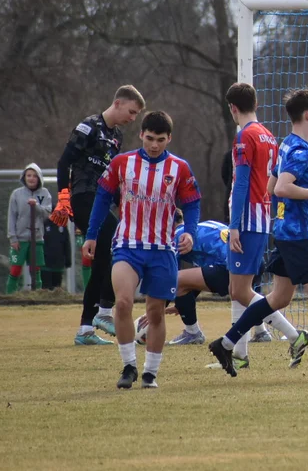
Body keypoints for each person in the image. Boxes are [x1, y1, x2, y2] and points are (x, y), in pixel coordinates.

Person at [208, 89, 308, 382]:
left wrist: (304, 183)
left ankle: (226, 343)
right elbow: (280, 189)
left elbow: (270, 187)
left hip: (284, 234)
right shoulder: (299, 150)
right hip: (297, 236)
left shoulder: (289, 146)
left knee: (279, 298)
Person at [83, 110, 201, 389]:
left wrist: (191, 234)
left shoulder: (179, 168)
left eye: (160, 139)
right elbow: (102, 197)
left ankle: (150, 372)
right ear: (141, 135)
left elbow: (192, 202)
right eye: (149, 138)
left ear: (169, 138)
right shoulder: (122, 163)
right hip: (127, 245)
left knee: (155, 312)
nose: (154, 145)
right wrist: (91, 235)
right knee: (122, 303)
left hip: (162, 249)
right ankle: (128, 367)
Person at [52, 85, 145, 345]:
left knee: (106, 254)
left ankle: (85, 330)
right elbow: (64, 163)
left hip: (100, 200)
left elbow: (111, 180)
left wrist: (125, 205)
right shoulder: (89, 126)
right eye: (132, 111)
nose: (133, 118)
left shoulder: (116, 137)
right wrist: (63, 196)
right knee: (116, 242)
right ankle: (104, 311)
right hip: (81, 196)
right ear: (117, 103)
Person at [159, 213, 307, 370]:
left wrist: (155, 309)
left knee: (179, 280)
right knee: (240, 296)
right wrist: (183, 301)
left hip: (233, 261)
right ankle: (240, 356)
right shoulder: (205, 225)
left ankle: (293, 336)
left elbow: (169, 279)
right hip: (252, 257)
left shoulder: (177, 235)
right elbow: (196, 279)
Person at [223, 83, 280, 360]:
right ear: (255, 104)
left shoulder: (244, 137)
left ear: (233, 108)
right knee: (240, 289)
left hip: (247, 220)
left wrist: (234, 224)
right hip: (264, 217)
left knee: (239, 290)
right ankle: (240, 352)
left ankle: (293, 334)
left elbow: (242, 182)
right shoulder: (269, 135)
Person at [5, 164, 52, 293]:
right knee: (15, 269)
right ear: (24, 177)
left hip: (36, 238)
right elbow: (12, 216)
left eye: (35, 176)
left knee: (35, 269)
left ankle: (36, 294)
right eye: (29, 175)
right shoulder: (16, 194)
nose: (31, 178)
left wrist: (36, 206)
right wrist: (13, 237)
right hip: (20, 239)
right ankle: (10, 296)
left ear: (39, 178)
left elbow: (47, 214)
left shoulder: (45, 193)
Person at [42, 215, 71, 291]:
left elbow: (66, 244)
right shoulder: (44, 224)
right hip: (45, 264)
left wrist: (68, 260)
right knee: (46, 289)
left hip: (58, 263)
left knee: (57, 289)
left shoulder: (62, 225)